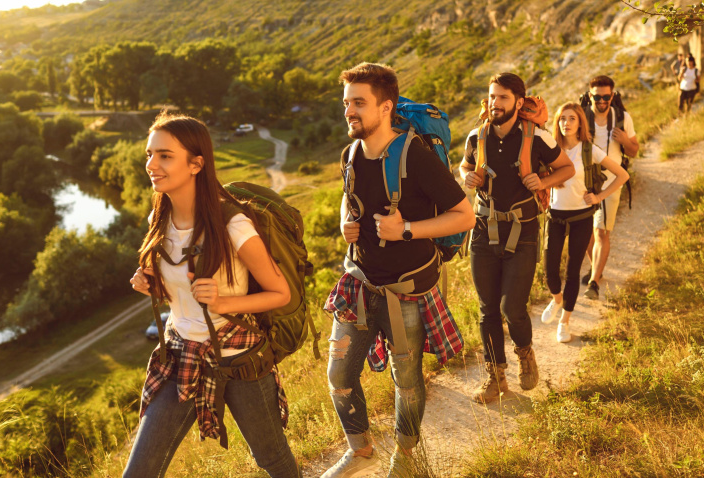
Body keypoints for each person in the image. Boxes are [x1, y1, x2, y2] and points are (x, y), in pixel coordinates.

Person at [124, 112, 299, 478]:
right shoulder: (161, 219)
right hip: (180, 358)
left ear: (196, 164)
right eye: (149, 154)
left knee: (274, 462)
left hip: (239, 361)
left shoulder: (233, 225)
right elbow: (179, 294)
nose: (151, 164)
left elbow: (280, 292)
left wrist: (223, 303)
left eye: (165, 156)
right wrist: (151, 284)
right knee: (140, 472)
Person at [322, 62, 475, 478]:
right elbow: (348, 195)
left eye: (359, 103)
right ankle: (361, 449)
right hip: (359, 283)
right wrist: (343, 221)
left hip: (407, 290)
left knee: (406, 383)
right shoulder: (350, 153)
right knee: (338, 375)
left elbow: (464, 216)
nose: (350, 111)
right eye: (346, 103)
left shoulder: (416, 157)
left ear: (386, 106)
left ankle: (406, 458)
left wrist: (405, 229)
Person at [460, 72, 575, 404]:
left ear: (519, 102)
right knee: (487, 310)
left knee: (512, 306)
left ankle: (525, 355)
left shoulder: (537, 137)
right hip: (483, 231)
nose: (495, 103)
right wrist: (468, 176)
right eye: (492, 97)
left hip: (523, 231)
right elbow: (463, 167)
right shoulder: (476, 135)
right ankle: (495, 378)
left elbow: (566, 168)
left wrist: (544, 182)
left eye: (503, 98)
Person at [541, 103, 629, 343]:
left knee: (572, 272)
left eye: (572, 119)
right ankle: (557, 300)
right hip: (555, 216)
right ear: (557, 123)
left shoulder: (589, 150)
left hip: (581, 217)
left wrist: (599, 197)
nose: (566, 123)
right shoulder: (550, 149)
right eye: (562, 119)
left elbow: (623, 175)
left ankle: (565, 323)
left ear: (580, 123)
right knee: (550, 271)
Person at [580, 75, 640, 300]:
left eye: (606, 96)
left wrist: (624, 139)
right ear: (590, 96)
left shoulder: (623, 118)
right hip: (584, 182)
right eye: (597, 96)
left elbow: (634, 151)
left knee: (601, 231)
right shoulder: (582, 117)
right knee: (586, 233)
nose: (602, 100)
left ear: (612, 96)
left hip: (612, 181)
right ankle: (597, 267)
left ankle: (594, 282)